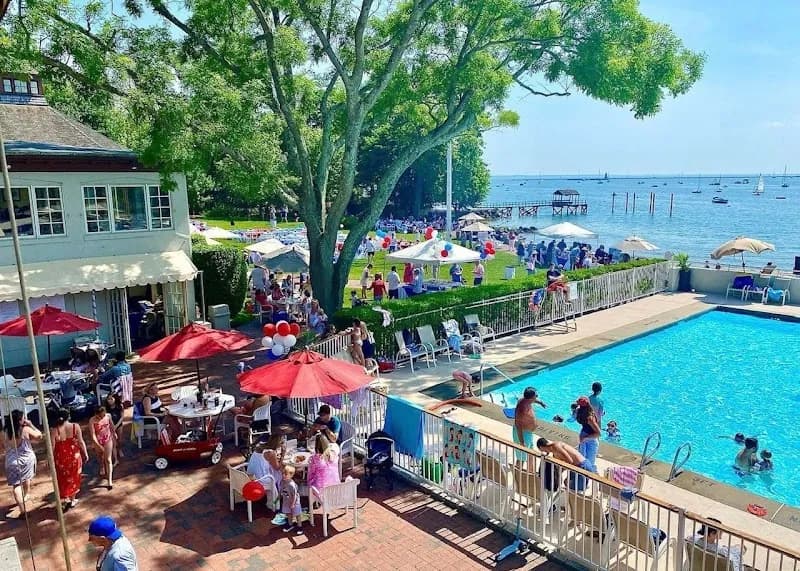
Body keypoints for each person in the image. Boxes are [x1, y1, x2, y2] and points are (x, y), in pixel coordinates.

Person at [3, 409, 43, 517]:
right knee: (26, 477)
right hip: (25, 459)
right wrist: (31, 425)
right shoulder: (25, 429)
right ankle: (25, 495)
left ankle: (22, 510)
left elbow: (3, 446)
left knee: (16, 485)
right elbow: (39, 436)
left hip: (11, 461)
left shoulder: (5, 432)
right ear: (20, 420)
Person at [513, 387, 546, 462]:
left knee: (530, 453)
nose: (537, 397)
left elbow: (534, 401)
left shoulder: (526, 400)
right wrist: (522, 442)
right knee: (521, 458)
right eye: (536, 395)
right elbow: (518, 426)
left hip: (528, 433)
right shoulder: (522, 408)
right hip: (522, 435)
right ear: (531, 398)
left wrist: (541, 403)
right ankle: (518, 472)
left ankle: (531, 472)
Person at [90, 406, 116, 490]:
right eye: (99, 416)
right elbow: (93, 434)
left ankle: (109, 480)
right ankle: (101, 466)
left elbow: (112, 425)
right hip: (98, 440)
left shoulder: (108, 416)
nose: (101, 417)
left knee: (108, 459)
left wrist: (114, 433)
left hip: (107, 439)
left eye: (103, 415)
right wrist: (97, 444)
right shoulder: (92, 420)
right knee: (100, 456)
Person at [280, 465, 303, 534]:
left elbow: (294, 496)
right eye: (283, 473)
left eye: (286, 474)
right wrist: (279, 495)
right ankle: (290, 524)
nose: (283, 475)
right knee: (288, 513)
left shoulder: (291, 485)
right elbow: (282, 489)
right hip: (286, 501)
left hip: (294, 502)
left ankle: (300, 527)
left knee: (297, 514)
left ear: (291, 475)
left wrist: (293, 504)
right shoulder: (283, 481)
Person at [104, 393, 125, 462]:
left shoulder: (119, 406)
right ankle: (114, 454)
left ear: (115, 399)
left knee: (120, 439)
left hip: (118, 424)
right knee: (113, 441)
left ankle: (120, 449)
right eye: (108, 399)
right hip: (110, 426)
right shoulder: (106, 408)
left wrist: (116, 426)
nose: (109, 401)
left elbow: (122, 417)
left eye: (111, 399)